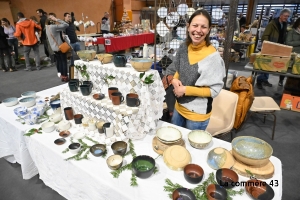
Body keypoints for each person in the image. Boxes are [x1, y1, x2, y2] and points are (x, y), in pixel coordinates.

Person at [171, 9, 225, 130]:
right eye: (195, 25)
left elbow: (214, 90)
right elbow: (179, 70)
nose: (198, 30)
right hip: (179, 107)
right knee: (174, 144)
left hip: (197, 115)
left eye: (203, 27)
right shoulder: (184, 47)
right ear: (188, 26)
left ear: (209, 29)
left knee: (192, 148)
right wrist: (174, 80)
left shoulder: (212, 57)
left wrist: (185, 89)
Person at [257, 8, 291, 89]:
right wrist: (269, 45)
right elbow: (264, 36)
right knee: (265, 64)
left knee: (270, 65)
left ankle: (265, 80)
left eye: (288, 16)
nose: (287, 18)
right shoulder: (272, 24)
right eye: (285, 16)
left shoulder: (285, 24)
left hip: (279, 47)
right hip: (270, 47)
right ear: (281, 15)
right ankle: (259, 80)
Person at [45, 14, 69, 82]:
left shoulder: (47, 27)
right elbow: (66, 25)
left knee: (60, 62)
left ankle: (62, 76)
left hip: (54, 48)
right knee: (64, 62)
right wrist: (57, 19)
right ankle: (65, 76)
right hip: (60, 47)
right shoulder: (54, 27)